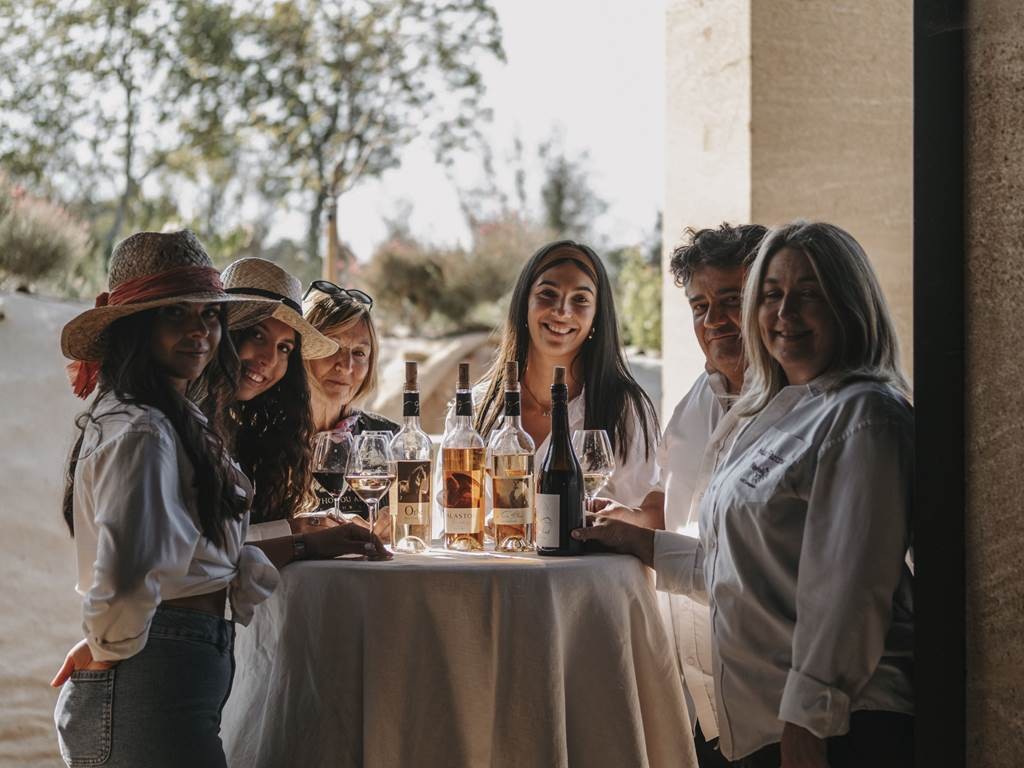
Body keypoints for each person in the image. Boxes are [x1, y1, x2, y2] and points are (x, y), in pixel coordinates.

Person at [575, 221, 915, 768]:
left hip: (843, 726)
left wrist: (809, 719)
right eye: (773, 296)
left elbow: (851, 592)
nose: (784, 314)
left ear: (850, 304)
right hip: (764, 724)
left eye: (808, 295)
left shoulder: (864, 414)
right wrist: (636, 541)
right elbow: (733, 569)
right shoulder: (775, 414)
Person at [51, 232, 388, 768]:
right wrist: (108, 646)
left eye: (208, 315)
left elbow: (199, 557)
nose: (198, 331)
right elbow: (128, 578)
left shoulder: (175, 421)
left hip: (173, 667)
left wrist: (304, 541)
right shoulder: (142, 430)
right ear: (135, 328)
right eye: (176, 315)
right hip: (152, 673)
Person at [599, 223, 766, 768]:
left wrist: (640, 544)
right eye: (700, 306)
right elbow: (668, 503)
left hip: (776, 705)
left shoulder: (802, 414)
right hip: (700, 699)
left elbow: (765, 569)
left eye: (731, 301)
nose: (714, 320)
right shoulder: (698, 397)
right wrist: (614, 517)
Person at [471, 239, 660, 505]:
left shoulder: (623, 408)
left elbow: (650, 512)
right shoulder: (477, 408)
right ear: (524, 303)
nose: (562, 311)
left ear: (596, 317)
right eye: (548, 293)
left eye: (580, 299)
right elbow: (449, 513)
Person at [221, 257, 350, 539]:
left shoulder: (255, 432)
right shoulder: (184, 425)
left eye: (284, 348)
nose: (269, 359)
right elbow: (212, 552)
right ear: (226, 333)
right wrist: (301, 533)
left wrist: (310, 526)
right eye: (257, 335)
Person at [303, 281, 398, 534]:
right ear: (303, 351)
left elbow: (413, 532)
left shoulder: (391, 440)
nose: (345, 366)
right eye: (332, 346)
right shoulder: (266, 437)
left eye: (359, 353)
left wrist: (396, 529)